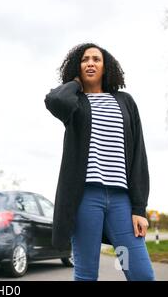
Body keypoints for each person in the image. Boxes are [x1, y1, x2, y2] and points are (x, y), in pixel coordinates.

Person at [44, 43, 155, 281]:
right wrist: (76, 83)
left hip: (121, 203)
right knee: (86, 275)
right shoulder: (75, 103)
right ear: (78, 66)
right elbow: (54, 99)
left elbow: (138, 155)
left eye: (97, 59)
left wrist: (139, 208)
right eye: (85, 60)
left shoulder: (125, 101)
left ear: (107, 67)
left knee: (139, 273)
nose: (91, 63)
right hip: (85, 200)